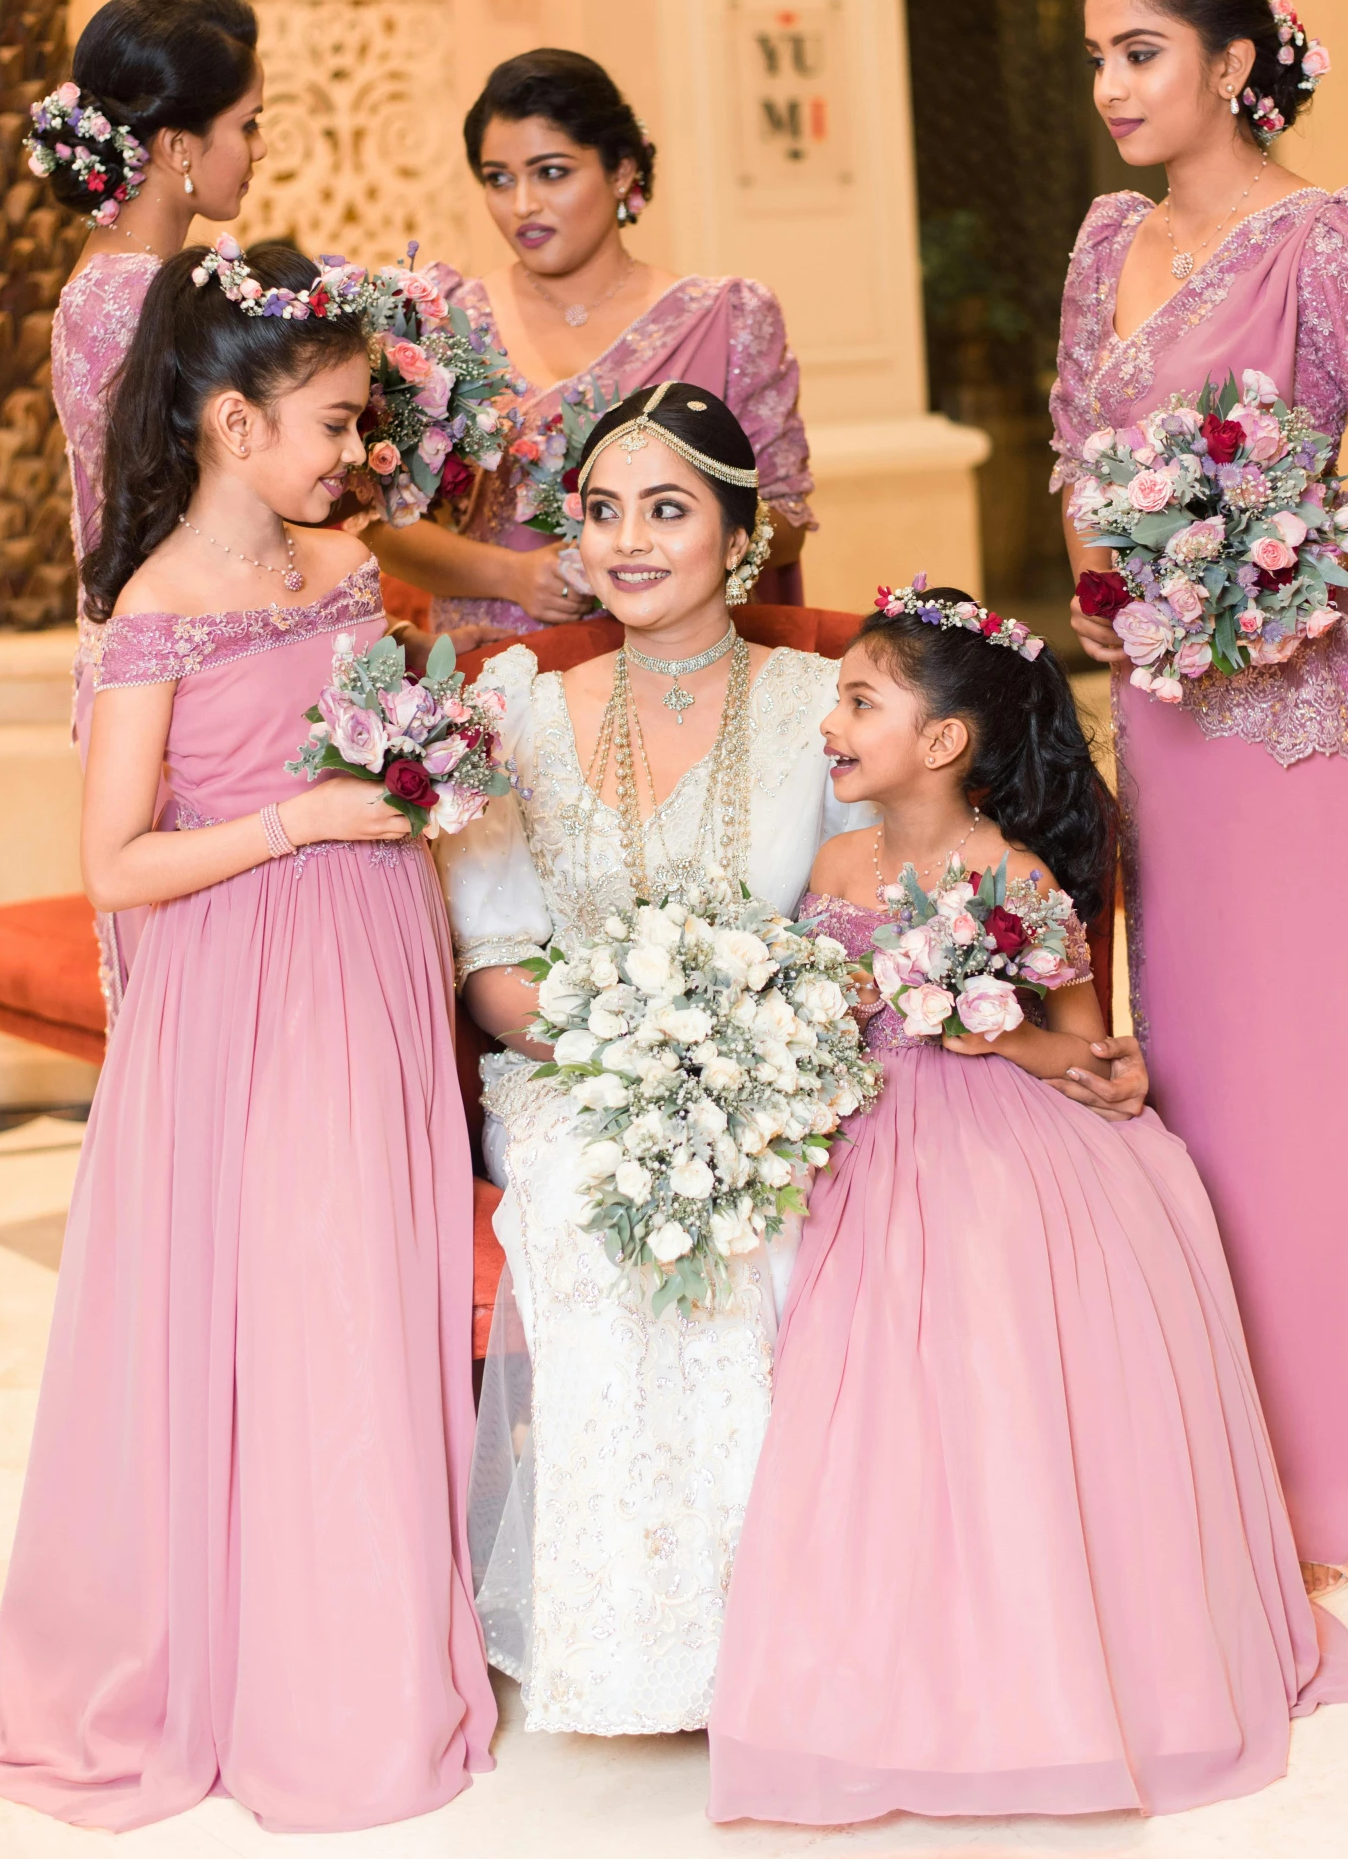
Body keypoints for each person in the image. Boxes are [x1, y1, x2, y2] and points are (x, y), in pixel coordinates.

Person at [0, 243, 494, 1831]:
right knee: (290, 1296)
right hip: (247, 978)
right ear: (228, 424)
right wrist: (305, 823)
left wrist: (416, 778)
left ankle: (366, 1648)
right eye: (332, 422)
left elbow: (379, 730)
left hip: (374, 956)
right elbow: (117, 862)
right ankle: (256, 1666)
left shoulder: (341, 570)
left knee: (367, 1294)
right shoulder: (153, 612)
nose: (354, 453)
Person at [708, 586, 1348, 1827]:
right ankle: (888, 1658)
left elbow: (1082, 1052)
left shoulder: (1009, 874)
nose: (831, 724)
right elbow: (815, 1000)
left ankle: (1025, 1662)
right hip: (860, 1126)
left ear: (945, 739)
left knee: (976, 1312)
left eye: (859, 700)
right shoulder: (837, 860)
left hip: (989, 1136)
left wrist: (985, 1032)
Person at [1051, 0, 1348, 1587]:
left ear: (1231, 62)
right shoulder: (1106, 242)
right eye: (1096, 53)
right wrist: (1118, 591)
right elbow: (1075, 452)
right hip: (1173, 714)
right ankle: (1223, 1440)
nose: (1106, 84)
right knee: (1206, 1066)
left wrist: (1273, 565)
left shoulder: (1339, 237)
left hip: (1318, 719)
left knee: (1322, 1073)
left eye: (1138, 49)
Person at [434, 381, 866, 1735]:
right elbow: (493, 964)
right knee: (587, 1202)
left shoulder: (824, 704)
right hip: (570, 1078)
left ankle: (799, 1625)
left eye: (667, 510)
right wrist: (622, 1056)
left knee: (777, 1218)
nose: (629, 540)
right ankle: (635, 1643)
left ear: (740, 537)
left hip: (781, 1071)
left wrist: (751, 1059)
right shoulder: (519, 709)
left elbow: (871, 907)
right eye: (605, 510)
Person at [367, 49, 815, 634]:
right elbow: (378, 527)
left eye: (551, 172)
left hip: (671, 659)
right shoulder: (440, 319)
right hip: (497, 668)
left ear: (621, 169)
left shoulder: (727, 320)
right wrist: (511, 575)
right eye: (499, 179)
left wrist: (650, 537)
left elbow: (786, 521)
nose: (523, 204)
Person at [41, 0, 266, 1015]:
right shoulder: (149, 298)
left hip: (142, 656)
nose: (255, 151)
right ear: (178, 146)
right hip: (185, 673)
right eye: (246, 126)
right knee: (215, 989)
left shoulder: (108, 280)